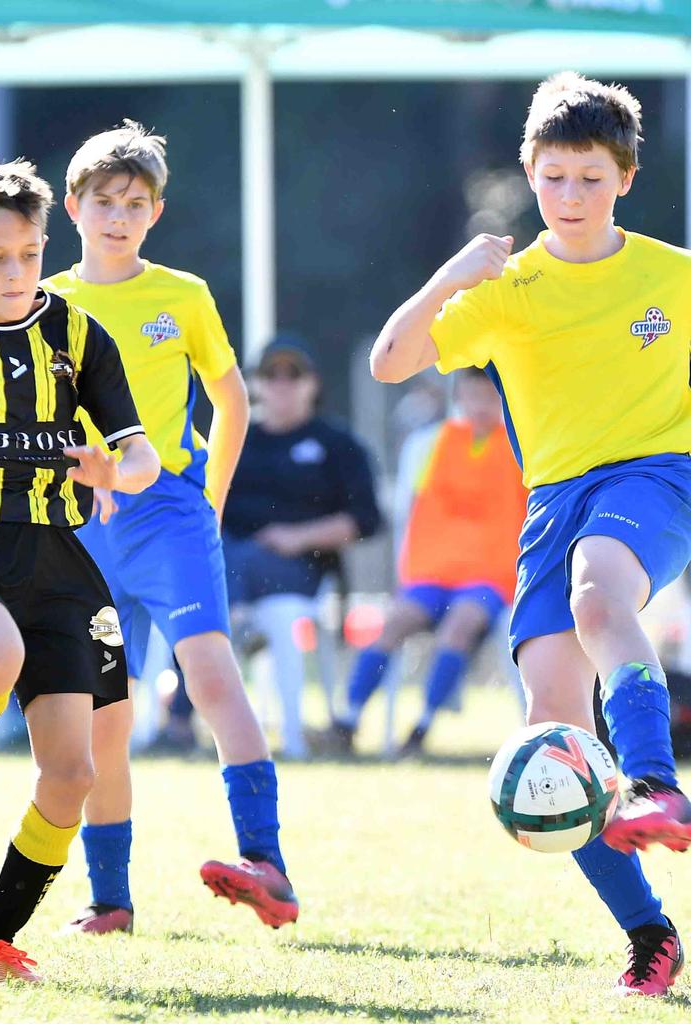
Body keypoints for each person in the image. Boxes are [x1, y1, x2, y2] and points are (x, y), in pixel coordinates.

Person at [369, 71, 691, 997]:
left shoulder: (670, 275)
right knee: (553, 748)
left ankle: (658, 783)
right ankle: (652, 935)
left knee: (600, 590)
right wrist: (453, 276)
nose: (572, 196)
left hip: (656, 478)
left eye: (591, 177)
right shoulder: (508, 289)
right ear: (530, 174)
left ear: (624, 178)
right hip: (551, 504)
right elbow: (392, 362)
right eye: (554, 177)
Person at [44, 121, 298, 935]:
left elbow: (231, 399)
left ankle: (267, 862)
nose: (119, 216)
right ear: (73, 208)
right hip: (88, 526)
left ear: (155, 213)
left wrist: (211, 498)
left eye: (136, 203)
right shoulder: (46, 304)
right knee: (102, 716)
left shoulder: (182, 295)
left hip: (173, 514)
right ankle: (109, 900)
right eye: (105, 202)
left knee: (212, 676)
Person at [0, 159, 160, 982]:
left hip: (61, 562)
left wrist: (110, 469)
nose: (16, 273)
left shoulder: (78, 333)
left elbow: (143, 456)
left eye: (28, 254)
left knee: (73, 771)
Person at [331, 366, 526, 756]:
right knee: (394, 623)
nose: (482, 406)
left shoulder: (521, 447)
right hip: (432, 573)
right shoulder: (432, 444)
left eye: (491, 398)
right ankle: (347, 720)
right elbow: (407, 510)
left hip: (491, 577)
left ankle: (421, 728)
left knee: (460, 625)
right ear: (459, 399)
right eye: (474, 396)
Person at [221, 334, 382, 759]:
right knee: (216, 562)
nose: (282, 383)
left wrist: (298, 537)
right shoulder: (236, 441)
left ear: (313, 384)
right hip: (236, 560)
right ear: (254, 384)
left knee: (228, 573)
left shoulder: (336, 444)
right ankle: (231, 625)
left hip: (303, 570)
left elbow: (366, 519)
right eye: (270, 374)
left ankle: (230, 625)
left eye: (293, 374)